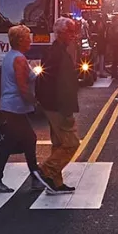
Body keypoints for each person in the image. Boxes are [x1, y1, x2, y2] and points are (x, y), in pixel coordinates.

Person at [0, 25, 49, 194]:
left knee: (26, 140)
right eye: (28, 37)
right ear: (21, 40)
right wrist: (35, 102)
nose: (31, 40)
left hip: (12, 106)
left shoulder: (10, 56)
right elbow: (22, 87)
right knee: (14, 143)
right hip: (14, 107)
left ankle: (34, 178)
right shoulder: (19, 60)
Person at [37, 17, 84, 191]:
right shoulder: (58, 54)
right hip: (58, 106)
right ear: (61, 33)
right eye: (71, 31)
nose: (74, 35)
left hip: (51, 104)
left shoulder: (54, 51)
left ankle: (55, 183)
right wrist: (67, 112)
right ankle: (45, 171)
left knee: (58, 144)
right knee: (72, 143)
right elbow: (62, 85)